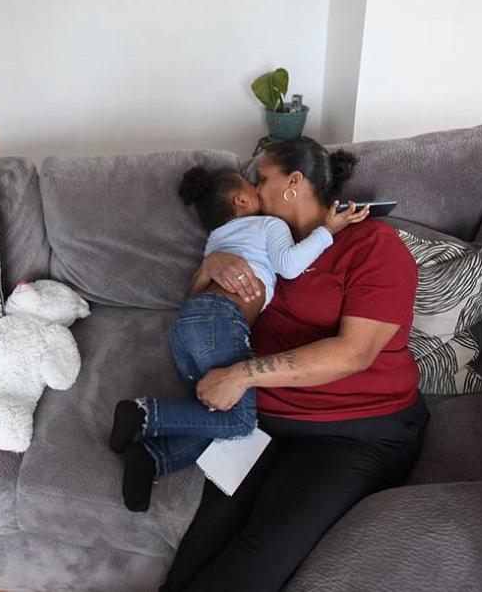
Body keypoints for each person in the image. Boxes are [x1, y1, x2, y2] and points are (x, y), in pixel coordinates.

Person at [158, 138, 429, 592]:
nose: (252, 192)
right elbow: (204, 316)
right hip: (267, 420)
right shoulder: (258, 243)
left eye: (261, 179)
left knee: (262, 548)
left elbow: (354, 353)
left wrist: (241, 374)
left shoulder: (373, 245)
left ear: (293, 183)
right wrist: (211, 266)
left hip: (355, 427)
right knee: (206, 532)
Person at [110, 165, 369, 511]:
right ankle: (144, 415)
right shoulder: (269, 224)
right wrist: (328, 230)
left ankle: (151, 458)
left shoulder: (217, 238)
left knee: (211, 411)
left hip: (188, 323)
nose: (261, 190)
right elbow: (290, 265)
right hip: (222, 322)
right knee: (239, 420)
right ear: (243, 199)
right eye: (255, 185)